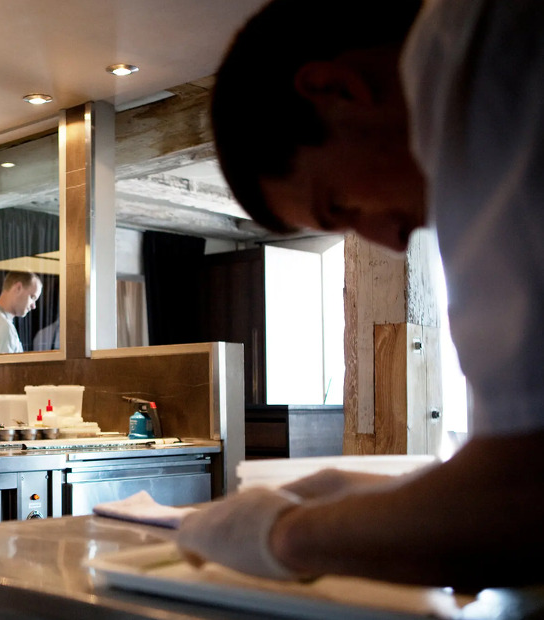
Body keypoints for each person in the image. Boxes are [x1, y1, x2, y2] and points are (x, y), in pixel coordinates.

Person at [176, 0, 544, 590]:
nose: (392, 241)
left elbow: (522, 501)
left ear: (335, 89)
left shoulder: (476, 70)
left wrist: (284, 535)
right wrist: (355, 497)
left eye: (341, 205)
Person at [0, 271, 42, 354]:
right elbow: (3, 367)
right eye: (32, 297)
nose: (33, 306)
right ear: (18, 288)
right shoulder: (2, 325)